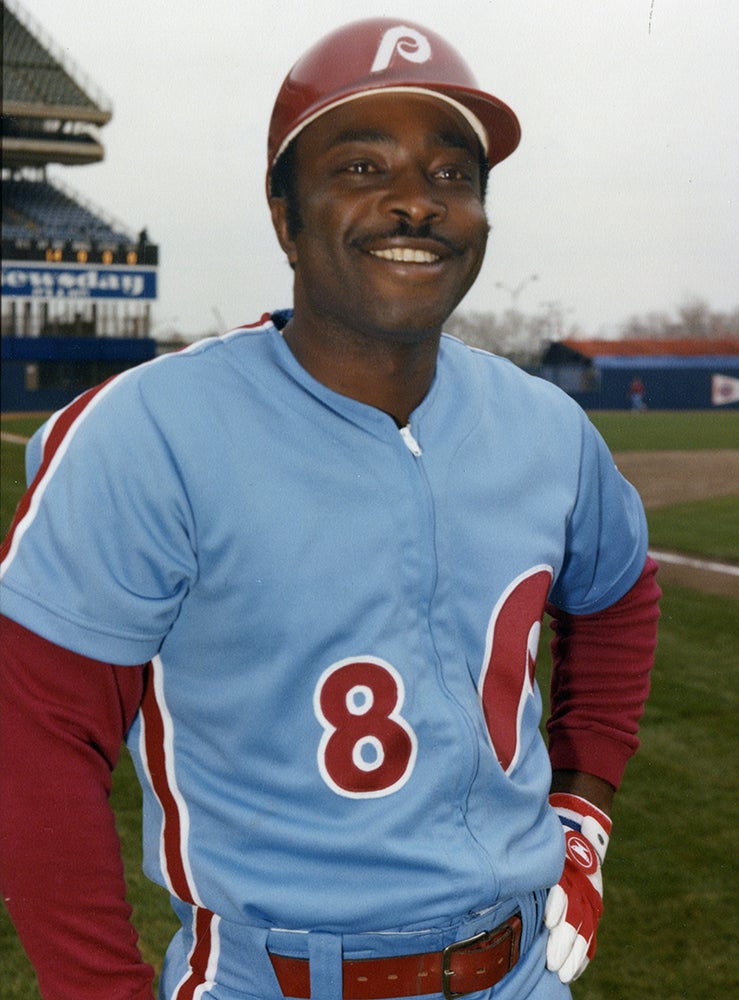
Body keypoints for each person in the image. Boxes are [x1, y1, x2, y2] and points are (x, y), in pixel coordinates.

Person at [0, 18, 660, 1000]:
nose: (415, 202)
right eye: (360, 165)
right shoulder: (148, 432)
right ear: (284, 214)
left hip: (524, 971)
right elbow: (36, 734)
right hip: (272, 980)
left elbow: (617, 593)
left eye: (451, 174)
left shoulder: (545, 427)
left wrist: (584, 808)